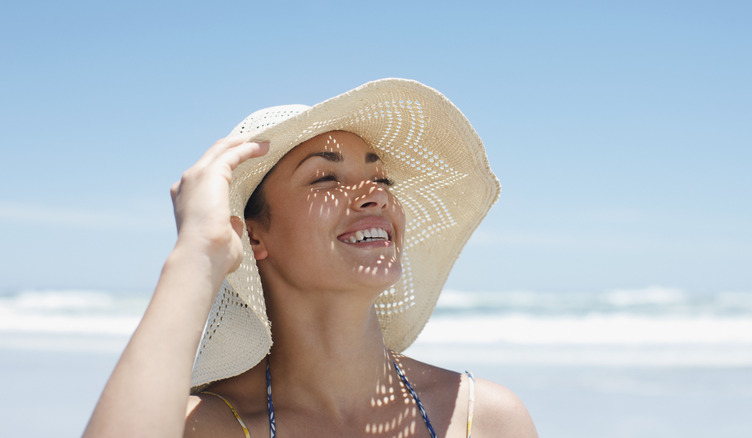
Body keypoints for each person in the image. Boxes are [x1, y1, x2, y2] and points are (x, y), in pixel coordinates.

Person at [83, 78, 538, 437]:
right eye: (324, 178)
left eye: (382, 180)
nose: (373, 196)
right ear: (252, 235)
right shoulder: (207, 426)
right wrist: (198, 253)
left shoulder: (482, 418)